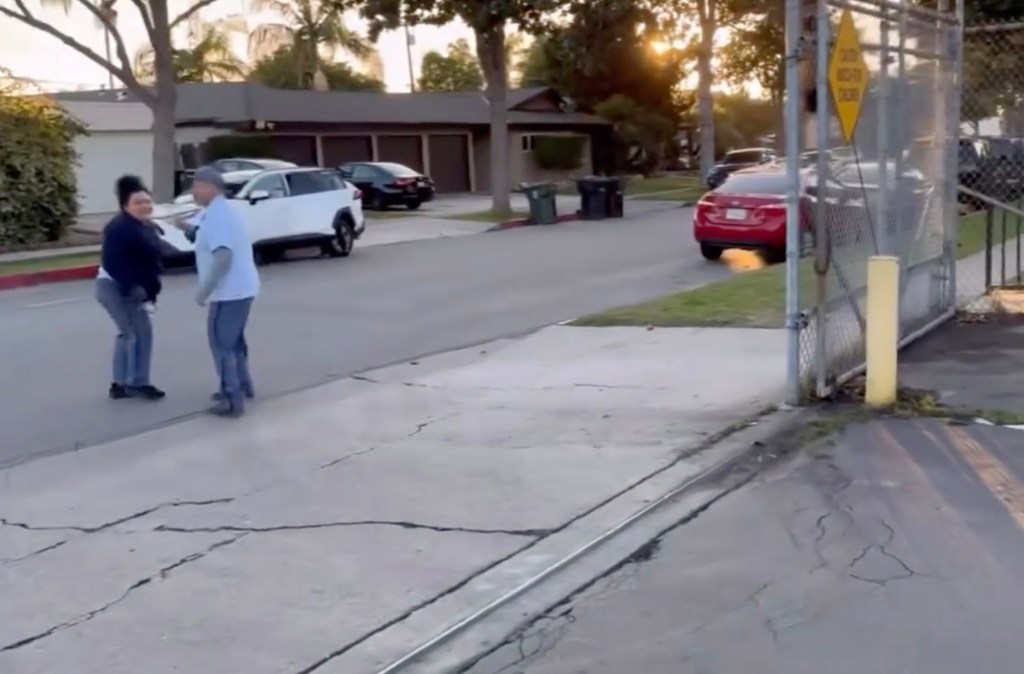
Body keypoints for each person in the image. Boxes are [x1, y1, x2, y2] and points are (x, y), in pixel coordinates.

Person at [174, 166, 260, 417]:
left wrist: (204, 290)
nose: (193, 192)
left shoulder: (218, 215)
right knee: (234, 341)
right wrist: (183, 227)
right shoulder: (215, 212)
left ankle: (231, 398)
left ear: (209, 187)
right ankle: (243, 386)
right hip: (239, 288)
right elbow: (201, 235)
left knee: (221, 342)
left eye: (197, 186)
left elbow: (223, 256)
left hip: (229, 289)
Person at [95, 175, 165, 400]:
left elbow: (152, 263)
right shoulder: (119, 229)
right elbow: (113, 264)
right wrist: (134, 289)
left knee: (141, 332)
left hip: (134, 287)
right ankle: (125, 384)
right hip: (114, 287)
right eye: (138, 202)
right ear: (126, 205)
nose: (145, 205)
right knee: (130, 333)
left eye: (147, 201)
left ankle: (133, 382)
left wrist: (150, 293)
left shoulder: (146, 226)